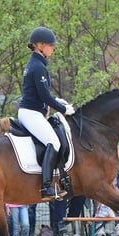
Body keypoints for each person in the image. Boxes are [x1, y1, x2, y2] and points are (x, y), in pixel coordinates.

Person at [17, 26, 75, 199]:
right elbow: (43, 95)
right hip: (31, 113)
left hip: (31, 111)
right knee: (54, 142)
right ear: (40, 45)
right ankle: (46, 187)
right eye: (50, 45)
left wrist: (57, 100)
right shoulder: (37, 66)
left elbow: (42, 94)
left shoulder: (36, 64)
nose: (53, 48)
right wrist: (64, 109)